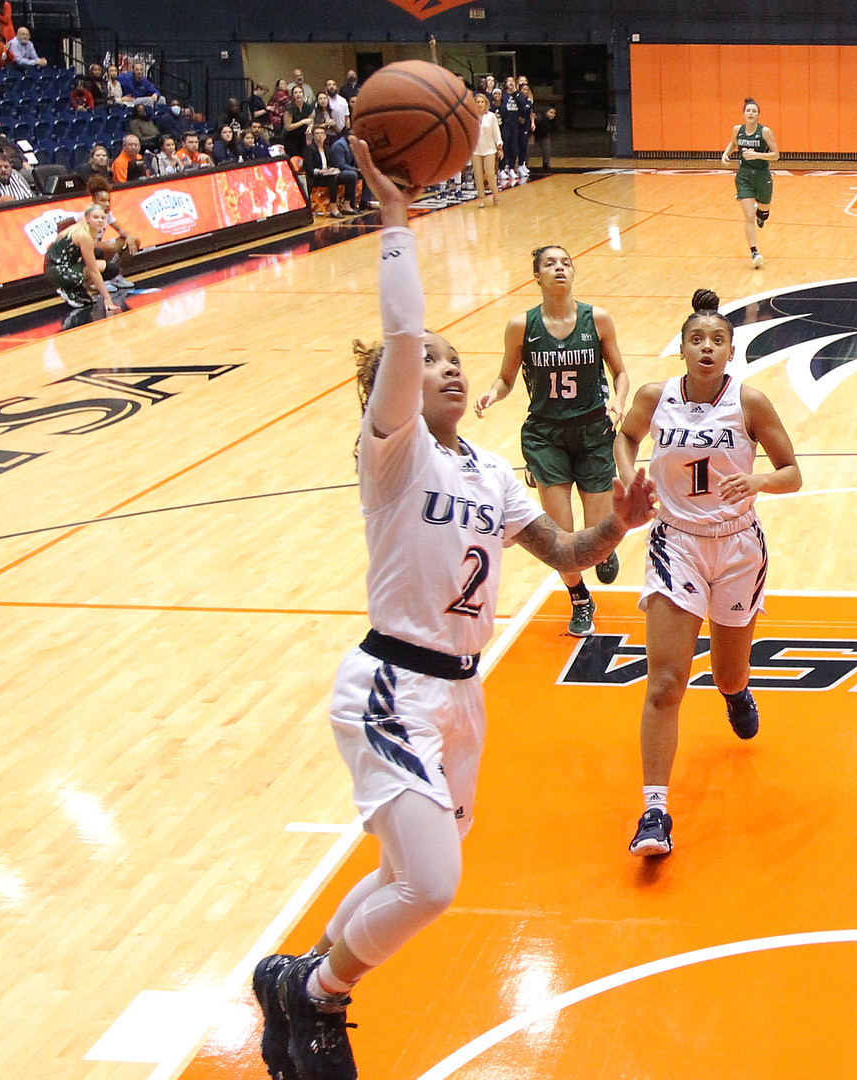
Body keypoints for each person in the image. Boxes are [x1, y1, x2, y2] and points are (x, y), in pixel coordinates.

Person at [250, 141, 653, 1080]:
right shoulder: (393, 457)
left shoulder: (486, 470)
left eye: (454, 361)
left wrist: (614, 524)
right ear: (391, 392)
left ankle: (296, 983)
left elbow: (563, 556)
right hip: (392, 684)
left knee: (407, 877)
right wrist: (397, 225)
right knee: (432, 885)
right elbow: (399, 340)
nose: (448, 368)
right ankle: (315, 997)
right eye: (431, 363)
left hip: (461, 699)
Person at [612, 288, 803, 857]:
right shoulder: (654, 397)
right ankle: (653, 812)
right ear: (683, 349)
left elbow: (792, 471)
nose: (706, 348)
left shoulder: (751, 402)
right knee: (666, 682)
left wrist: (760, 481)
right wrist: (631, 480)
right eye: (696, 339)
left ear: (729, 351)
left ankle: (736, 691)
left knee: (726, 672)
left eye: (716, 340)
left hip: (739, 546)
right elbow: (624, 437)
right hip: (677, 543)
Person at [475, 245, 631, 637]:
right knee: (562, 541)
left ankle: (605, 549)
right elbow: (507, 378)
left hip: (594, 432)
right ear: (537, 277)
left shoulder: (597, 319)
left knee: (596, 538)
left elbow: (620, 373)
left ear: (573, 273)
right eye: (550, 264)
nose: (559, 268)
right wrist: (493, 393)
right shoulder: (521, 326)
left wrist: (619, 401)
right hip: (547, 436)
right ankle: (580, 599)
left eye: (565, 262)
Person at [721, 98, 778, 269]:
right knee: (749, 216)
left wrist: (758, 155)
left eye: (754, 111)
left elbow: (776, 155)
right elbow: (733, 143)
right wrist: (726, 154)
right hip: (743, 175)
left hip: (761, 175)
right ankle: (754, 251)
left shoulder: (765, 132)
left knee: (764, 210)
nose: (751, 113)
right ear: (744, 113)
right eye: (748, 111)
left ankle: (762, 215)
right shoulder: (738, 130)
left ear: (758, 115)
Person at [44, 203, 117, 311]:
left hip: (58, 266)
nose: (100, 220)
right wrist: (107, 299)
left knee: (98, 253)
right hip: (59, 270)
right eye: (95, 217)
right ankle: (70, 289)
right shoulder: (84, 235)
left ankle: (78, 289)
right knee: (110, 269)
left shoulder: (84, 230)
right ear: (87, 218)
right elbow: (93, 270)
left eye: (102, 218)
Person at [85, 176, 139, 289]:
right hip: (85, 248)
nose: (107, 204)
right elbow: (65, 224)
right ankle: (97, 280)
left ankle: (115, 275)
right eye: (103, 201)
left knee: (134, 241)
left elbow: (119, 229)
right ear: (94, 200)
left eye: (108, 201)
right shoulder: (86, 213)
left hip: (97, 248)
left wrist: (129, 236)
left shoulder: (106, 213)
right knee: (109, 248)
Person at [306, 126, 353, 214]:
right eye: (317, 133)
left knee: (351, 175)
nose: (320, 135)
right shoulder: (310, 149)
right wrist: (319, 171)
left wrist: (333, 168)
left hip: (329, 174)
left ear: (325, 136)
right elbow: (308, 168)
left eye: (321, 133)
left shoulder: (327, 149)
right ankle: (333, 206)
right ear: (313, 136)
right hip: (317, 178)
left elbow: (333, 163)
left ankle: (347, 204)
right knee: (332, 179)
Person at [470, 91, 501, 208]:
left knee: (490, 173)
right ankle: (481, 197)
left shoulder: (491, 116)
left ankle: (495, 194)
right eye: (477, 102)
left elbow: (496, 132)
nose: (480, 104)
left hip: (489, 149)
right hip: (476, 149)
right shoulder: (471, 117)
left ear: (486, 103)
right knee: (478, 175)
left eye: (482, 102)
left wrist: (499, 145)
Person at [500, 75, 532, 183]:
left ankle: (512, 168)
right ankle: (502, 168)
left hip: (515, 125)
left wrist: (515, 93)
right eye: (508, 81)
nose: (511, 83)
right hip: (505, 124)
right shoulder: (503, 95)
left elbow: (523, 106)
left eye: (512, 81)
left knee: (514, 147)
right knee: (505, 147)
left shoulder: (517, 95)